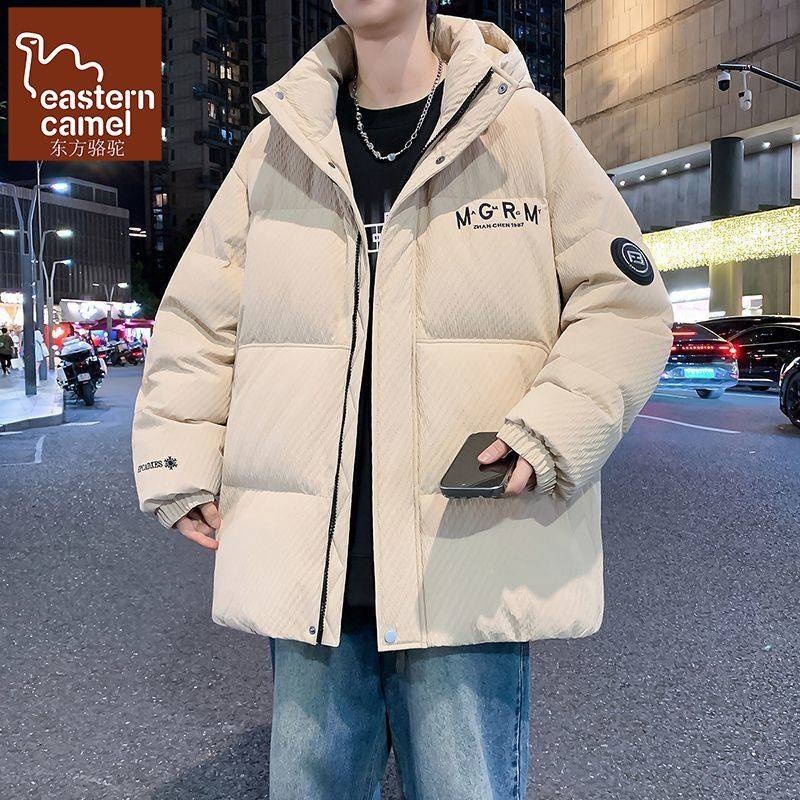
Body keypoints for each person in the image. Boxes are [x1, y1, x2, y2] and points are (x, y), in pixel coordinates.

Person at [131, 3, 674, 797]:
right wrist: (178, 459)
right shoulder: (276, 146)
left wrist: (551, 430)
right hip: (311, 570)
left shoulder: (522, 128)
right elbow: (198, 322)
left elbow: (625, 303)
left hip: (462, 556)